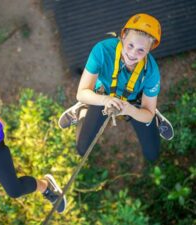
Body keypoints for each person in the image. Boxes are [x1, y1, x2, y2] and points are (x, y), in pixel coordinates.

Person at [58, 13, 174, 162]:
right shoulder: (102, 51)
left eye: (141, 50)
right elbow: (82, 93)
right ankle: (83, 110)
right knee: (82, 149)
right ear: (123, 35)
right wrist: (105, 100)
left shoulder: (151, 71)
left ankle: (151, 111)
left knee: (152, 153)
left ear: (149, 49)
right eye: (130, 45)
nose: (132, 54)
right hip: (102, 96)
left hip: (133, 103)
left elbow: (147, 114)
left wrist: (129, 110)